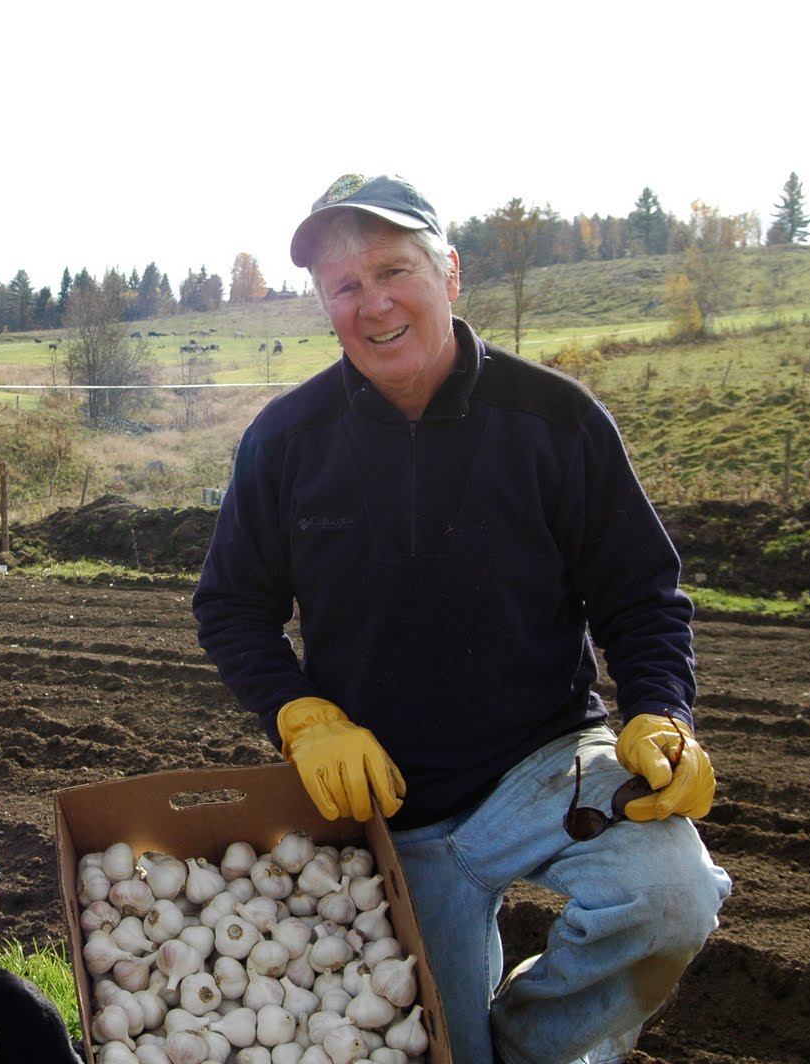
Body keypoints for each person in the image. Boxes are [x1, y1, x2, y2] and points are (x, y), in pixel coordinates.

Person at [193, 174, 733, 1064]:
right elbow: (231, 607)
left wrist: (661, 710)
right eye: (344, 287)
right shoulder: (287, 440)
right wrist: (302, 715)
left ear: (449, 272)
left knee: (671, 895)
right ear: (323, 304)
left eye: (393, 270)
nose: (373, 305)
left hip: (544, 765)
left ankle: (529, 1048)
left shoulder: (555, 421)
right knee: (437, 1048)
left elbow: (640, 592)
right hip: (384, 801)